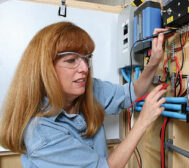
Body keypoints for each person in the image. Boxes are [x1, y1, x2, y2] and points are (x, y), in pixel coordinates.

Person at [0, 21, 167, 168]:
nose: (85, 69)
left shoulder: (88, 89)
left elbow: (131, 93)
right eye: (72, 60)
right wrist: (143, 121)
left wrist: (154, 61)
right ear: (45, 68)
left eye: (86, 59)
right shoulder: (41, 133)